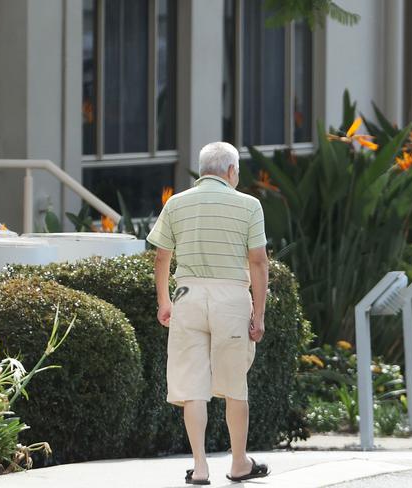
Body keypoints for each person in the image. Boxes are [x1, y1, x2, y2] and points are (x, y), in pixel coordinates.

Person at [147, 142, 270, 485]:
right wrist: (258, 315)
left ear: (202, 170)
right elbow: (258, 262)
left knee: (193, 387)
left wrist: (164, 302)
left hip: (187, 295)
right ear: (231, 171)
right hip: (231, 298)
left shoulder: (176, 203)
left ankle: (200, 467)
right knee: (234, 386)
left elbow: (161, 257)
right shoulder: (249, 205)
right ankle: (238, 463)